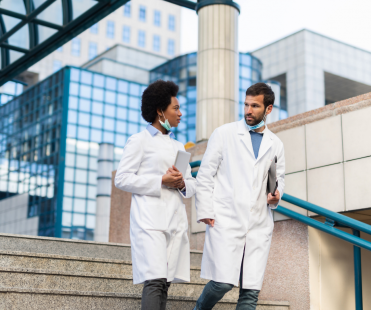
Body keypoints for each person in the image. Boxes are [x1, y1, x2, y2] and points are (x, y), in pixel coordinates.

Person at [193, 83, 285, 310]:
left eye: (255, 106)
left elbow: (278, 179)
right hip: (226, 218)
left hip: (258, 223)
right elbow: (205, 175)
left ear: (269, 109)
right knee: (222, 283)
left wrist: (276, 196)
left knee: (250, 293)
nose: (248, 110)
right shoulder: (224, 133)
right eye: (246, 104)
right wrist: (205, 210)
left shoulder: (276, 144)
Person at [115, 80, 196, 310]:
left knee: (165, 283)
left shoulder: (179, 146)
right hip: (149, 221)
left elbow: (191, 185)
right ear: (161, 111)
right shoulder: (139, 141)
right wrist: (160, 180)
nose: (180, 114)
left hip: (174, 220)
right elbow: (121, 178)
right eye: (176, 108)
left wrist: (181, 183)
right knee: (155, 280)